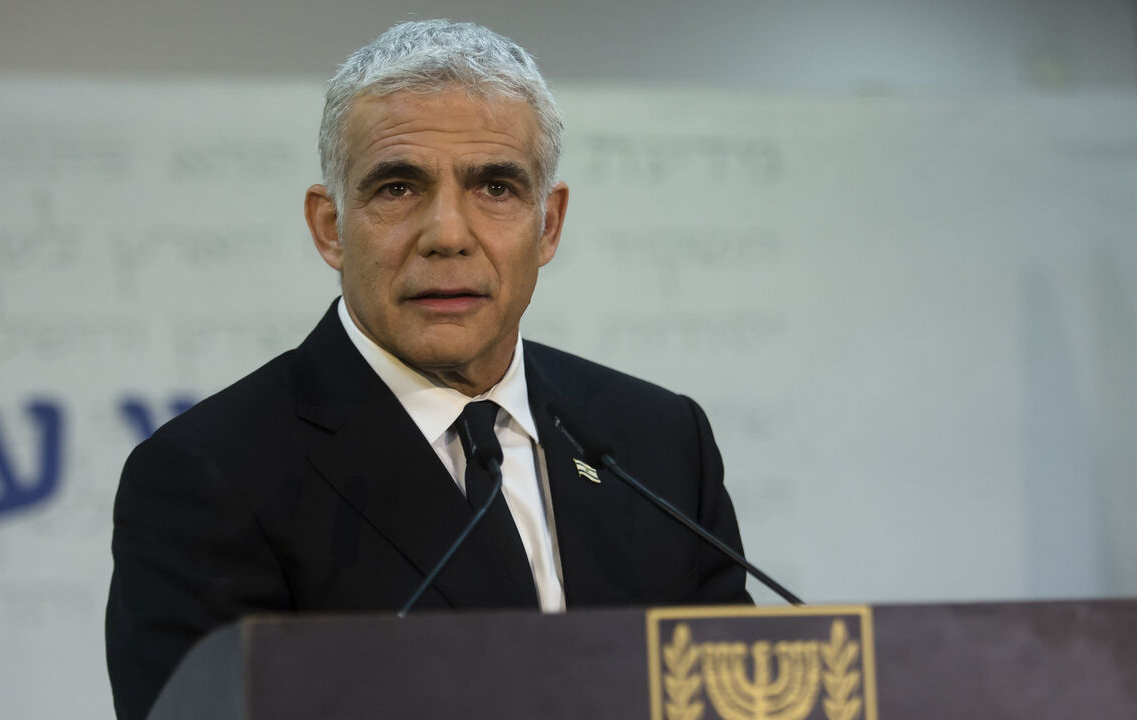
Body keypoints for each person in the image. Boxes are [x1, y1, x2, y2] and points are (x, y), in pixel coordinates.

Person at [105, 19, 751, 720]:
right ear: (330, 226)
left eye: (496, 188)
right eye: (397, 188)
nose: (448, 234)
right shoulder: (208, 477)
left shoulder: (659, 443)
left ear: (549, 225)